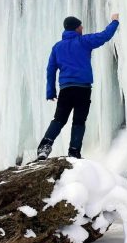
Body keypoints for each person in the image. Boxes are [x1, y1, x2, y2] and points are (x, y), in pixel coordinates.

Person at [36, 14, 119, 160]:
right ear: (76, 28)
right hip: (83, 89)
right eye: (80, 26)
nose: (82, 27)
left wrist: (50, 91)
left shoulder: (57, 47)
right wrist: (115, 21)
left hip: (66, 89)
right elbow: (104, 36)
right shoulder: (83, 41)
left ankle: (44, 147)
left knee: (59, 119)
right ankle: (74, 152)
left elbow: (50, 70)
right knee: (79, 121)